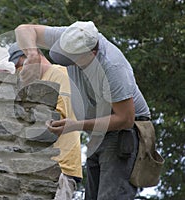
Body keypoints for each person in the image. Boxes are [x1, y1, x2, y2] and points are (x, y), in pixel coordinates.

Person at [14, 21, 151, 200]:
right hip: (99, 130)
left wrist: (76, 125)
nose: (69, 63)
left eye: (74, 59)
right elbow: (24, 29)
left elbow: (125, 118)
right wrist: (32, 54)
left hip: (123, 131)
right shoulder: (70, 37)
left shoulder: (113, 67)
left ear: (92, 54)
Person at [8, 43, 83, 200]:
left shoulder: (59, 74)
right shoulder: (42, 82)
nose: (19, 73)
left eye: (19, 67)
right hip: (49, 169)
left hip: (61, 170)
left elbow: (58, 120)